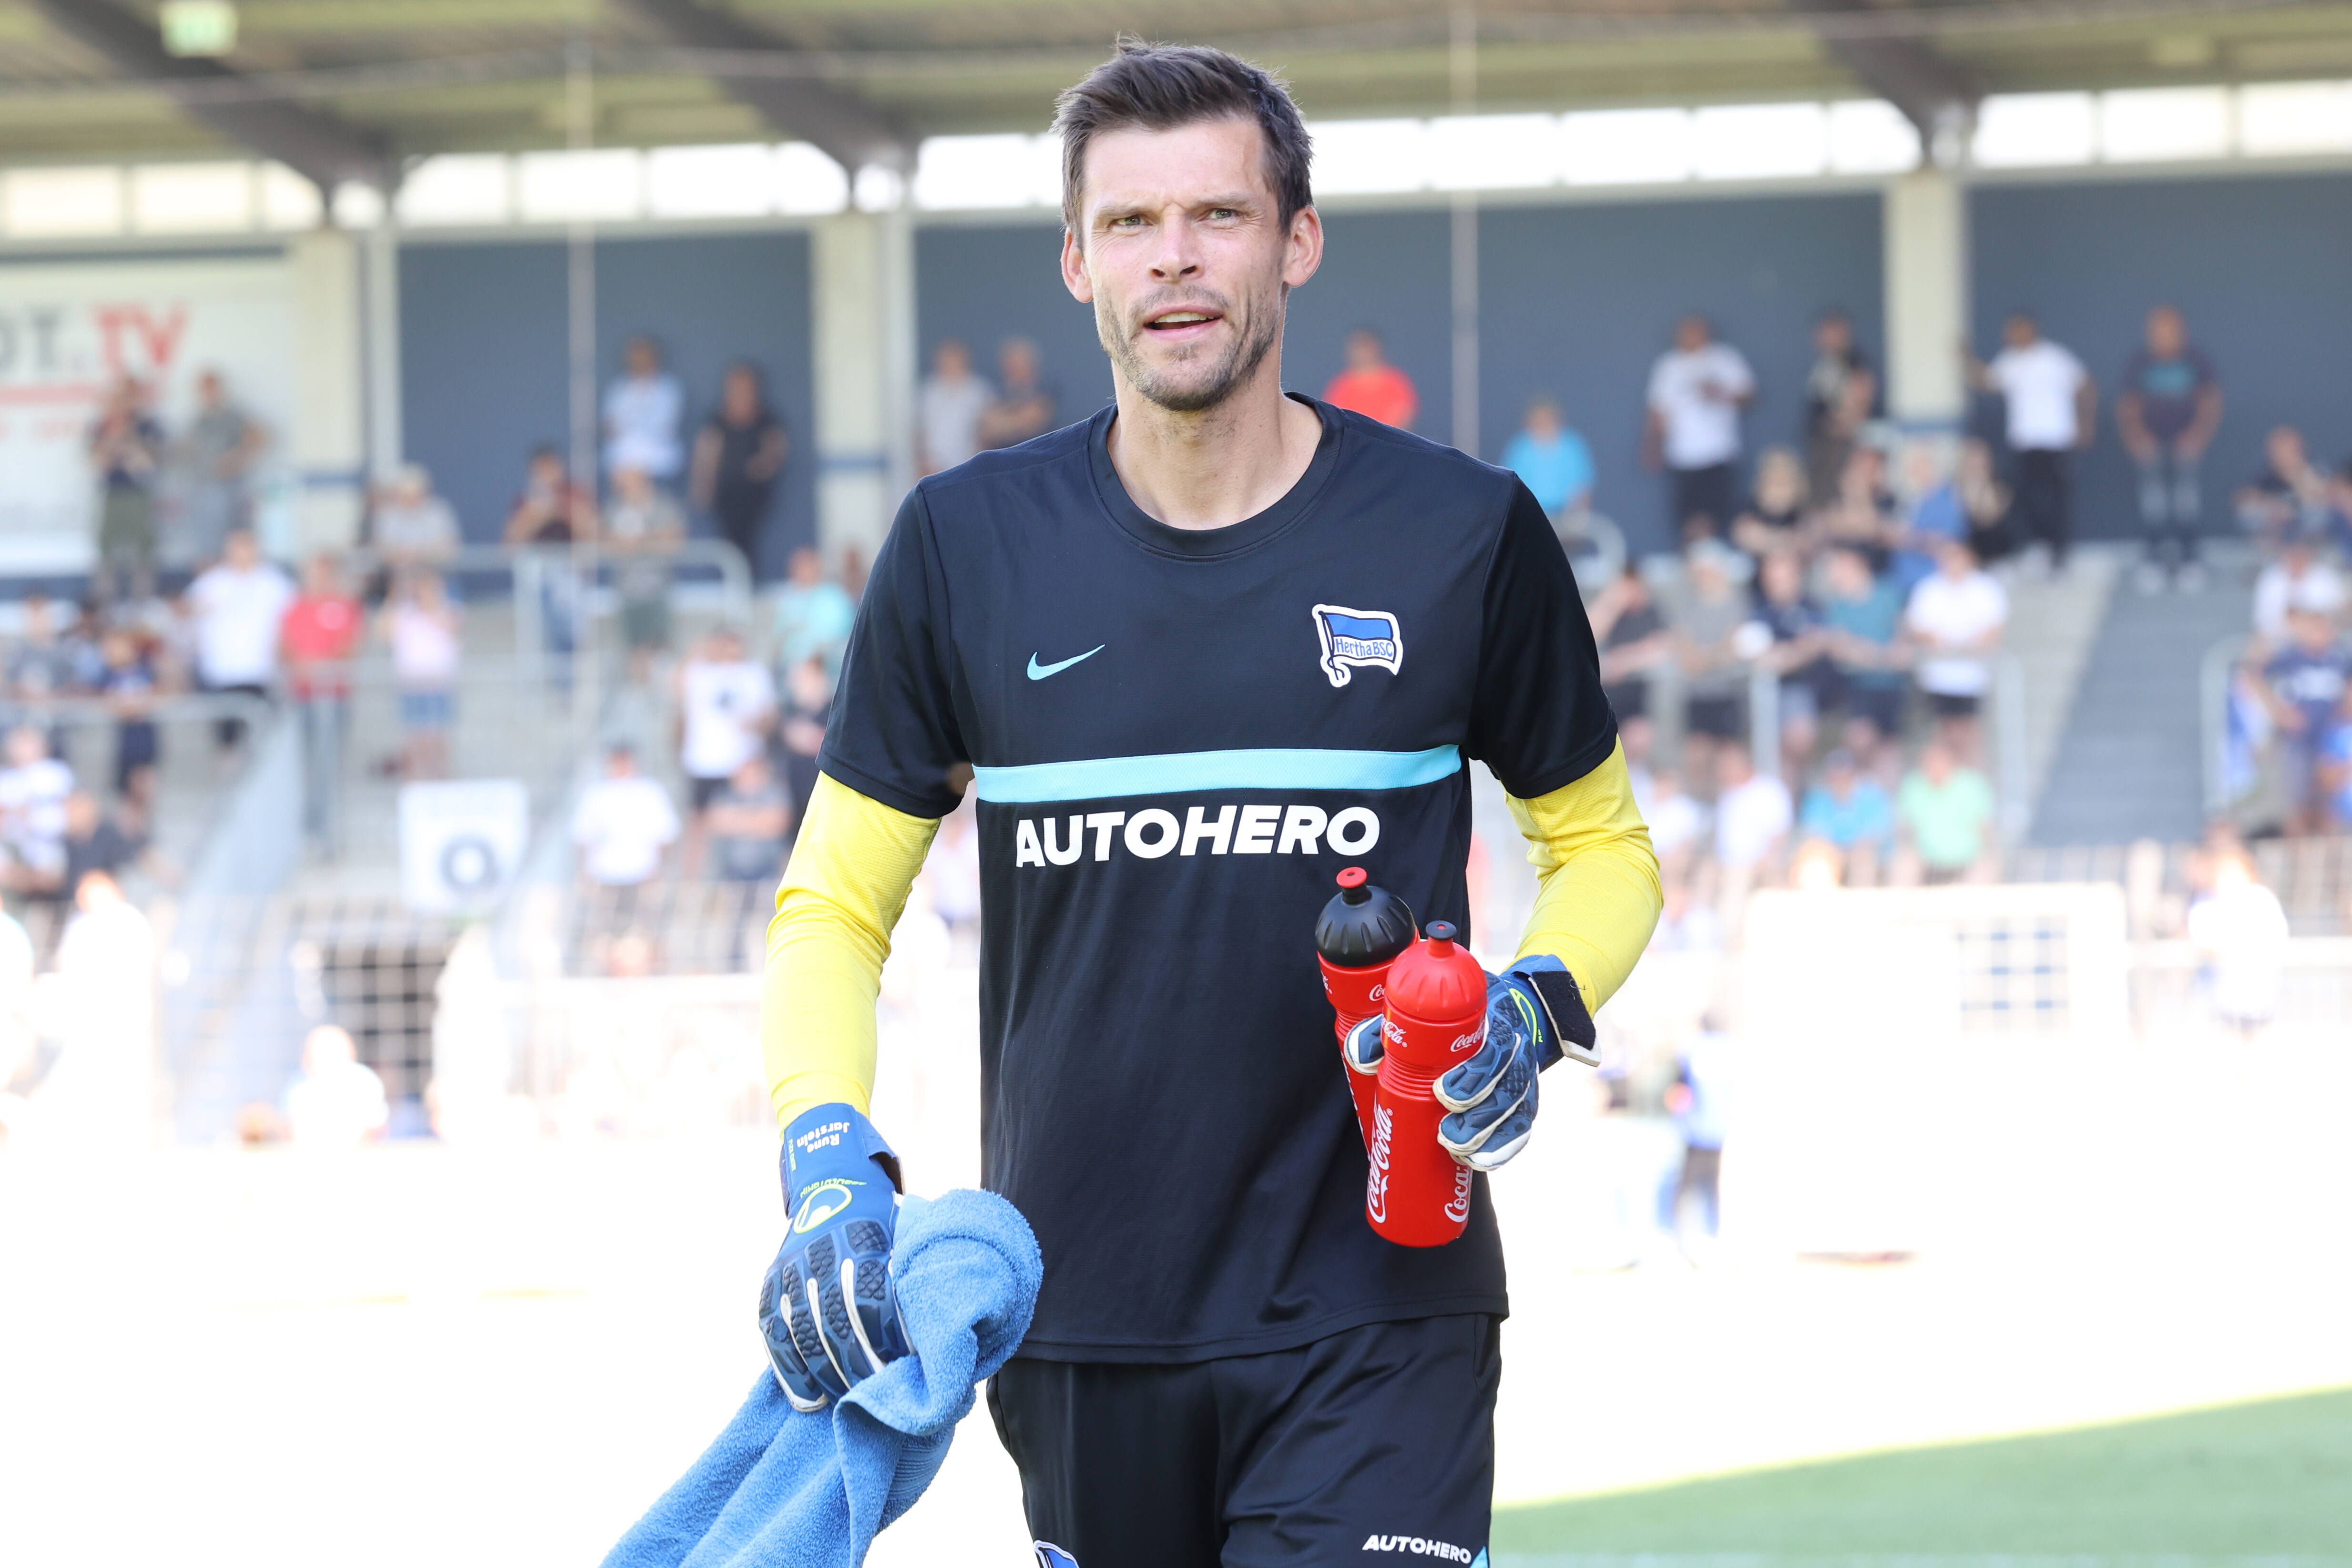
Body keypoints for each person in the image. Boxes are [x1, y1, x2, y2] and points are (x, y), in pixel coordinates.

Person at [751, 41, 1660, 1568]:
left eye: (1218, 216)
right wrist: (825, 1152)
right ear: (1075, 261)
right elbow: (831, 906)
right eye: (1128, 223)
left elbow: (1603, 849)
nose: (1173, 256)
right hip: (1080, 1320)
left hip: (1385, 1306)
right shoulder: (964, 546)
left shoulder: (1464, 532)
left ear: (1295, 242)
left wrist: (1535, 1001)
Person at [1964, 313, 2093, 573]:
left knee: (2058, 500)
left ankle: (2059, 554)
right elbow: (1986, 382)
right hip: (2025, 443)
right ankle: (2038, 546)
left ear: (2031, 330)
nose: (2012, 336)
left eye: (2017, 330)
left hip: (2056, 440)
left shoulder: (2054, 357)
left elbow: (2086, 385)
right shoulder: (2010, 361)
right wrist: (1965, 357)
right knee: (2025, 499)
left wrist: (2085, 423)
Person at [2116, 305, 2222, 592]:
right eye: (2157, 330)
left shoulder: (2195, 359)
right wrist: (2137, 440)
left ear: (2180, 330)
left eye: (2169, 329)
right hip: (2151, 444)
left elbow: (2210, 401)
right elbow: (2128, 405)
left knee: (2186, 502)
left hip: (2185, 444)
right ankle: (2154, 562)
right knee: (2154, 504)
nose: (2163, 336)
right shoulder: (2141, 361)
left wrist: (2197, 437)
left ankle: (2190, 561)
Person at [1644, 314, 1754, 540]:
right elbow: (1657, 411)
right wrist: (1652, 448)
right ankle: (1694, 564)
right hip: (1682, 455)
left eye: (1695, 331)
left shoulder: (1725, 358)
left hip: (1719, 452)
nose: (1690, 337)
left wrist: (1720, 393)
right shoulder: (1668, 365)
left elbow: (1749, 397)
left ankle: (1713, 564)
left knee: (1716, 514)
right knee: (1687, 516)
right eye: (1685, 332)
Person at [280, 554, 364, 854]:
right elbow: (286, 644)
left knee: (327, 763)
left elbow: (350, 644)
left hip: (332, 697)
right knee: (305, 764)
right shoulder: (296, 608)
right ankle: (308, 824)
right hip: (303, 697)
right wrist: (304, 667)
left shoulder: (344, 608)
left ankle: (325, 827)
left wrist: (321, 668)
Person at [2248, 606, 2352, 835]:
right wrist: (2279, 712)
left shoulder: (2339, 658)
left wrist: (2345, 712)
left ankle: (2327, 861)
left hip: (2328, 740)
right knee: (2297, 803)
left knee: (2329, 802)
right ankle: (2298, 861)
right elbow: (2255, 676)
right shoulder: (2292, 658)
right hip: (2298, 739)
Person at [187, 529, 294, 752]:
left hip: (262, 672)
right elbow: (190, 621)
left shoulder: (276, 585)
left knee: (263, 740)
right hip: (221, 673)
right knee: (227, 742)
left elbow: (288, 626)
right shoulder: (211, 584)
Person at [1903, 535, 2007, 760]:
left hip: (1973, 675)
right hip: (1938, 675)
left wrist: (1963, 646)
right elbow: (1917, 627)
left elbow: (1993, 629)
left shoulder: (1985, 588)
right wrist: (1947, 644)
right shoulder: (1928, 589)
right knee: (1944, 729)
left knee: (1970, 730)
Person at [504, 446, 596, 687]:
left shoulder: (574, 494)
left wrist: (561, 507)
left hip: (568, 573)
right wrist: (538, 513)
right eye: (541, 469)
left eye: (551, 467)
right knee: (539, 635)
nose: (547, 474)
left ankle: (569, 686)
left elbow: (590, 531)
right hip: (537, 574)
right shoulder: (526, 499)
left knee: (571, 633)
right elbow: (512, 541)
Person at [688, 362, 788, 579]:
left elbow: (776, 450)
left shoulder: (766, 418)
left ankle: (749, 583)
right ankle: (729, 584)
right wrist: (702, 488)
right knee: (727, 542)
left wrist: (762, 466)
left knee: (749, 541)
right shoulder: (717, 419)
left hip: (754, 494)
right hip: (725, 494)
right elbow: (706, 455)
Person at [1667, 538, 1752, 769]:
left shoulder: (1738, 605)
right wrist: (1715, 657)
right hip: (1698, 694)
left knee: (1730, 757)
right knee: (1697, 756)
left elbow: (1734, 647)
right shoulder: (1687, 608)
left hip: (1728, 692)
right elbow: (1688, 655)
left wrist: (1705, 658)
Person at [1820, 544, 1908, 760]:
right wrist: (1881, 656)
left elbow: (1903, 631)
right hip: (1858, 686)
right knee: (1860, 740)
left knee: (1890, 747)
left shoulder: (1887, 593)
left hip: (1892, 684)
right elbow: (1842, 648)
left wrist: (1897, 648)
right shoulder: (1837, 607)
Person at [675, 626, 775, 815]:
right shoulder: (699, 672)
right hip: (704, 761)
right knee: (702, 820)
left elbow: (769, 717)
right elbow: (674, 686)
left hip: (745, 763)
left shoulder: (754, 673)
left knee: (746, 819)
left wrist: (755, 724)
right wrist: (699, 650)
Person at [176, 368, 269, 566]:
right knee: (206, 548)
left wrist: (236, 458)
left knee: (235, 544)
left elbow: (259, 438)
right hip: (202, 491)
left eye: (211, 388)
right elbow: (185, 452)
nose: (207, 393)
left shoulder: (233, 416)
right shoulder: (197, 421)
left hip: (230, 490)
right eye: (203, 389)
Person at [86, 376, 164, 605]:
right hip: (112, 494)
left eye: (129, 396)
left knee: (143, 554)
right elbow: (96, 461)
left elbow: (148, 463)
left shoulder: (148, 426)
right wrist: (113, 441)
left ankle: (143, 603)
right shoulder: (102, 426)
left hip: (139, 496)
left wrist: (129, 443)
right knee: (107, 554)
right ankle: (104, 605)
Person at [604, 465, 685, 673]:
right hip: (628, 590)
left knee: (658, 646)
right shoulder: (615, 508)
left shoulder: (663, 506)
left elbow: (673, 542)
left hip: (658, 587)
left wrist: (640, 541)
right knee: (633, 649)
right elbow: (608, 544)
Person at [383, 570, 461, 781]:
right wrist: (394, 599)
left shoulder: (447, 609)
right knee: (415, 739)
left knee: (437, 738)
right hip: (412, 684)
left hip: (438, 684)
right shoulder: (405, 613)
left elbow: (453, 626)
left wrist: (431, 603)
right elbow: (384, 632)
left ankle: (441, 780)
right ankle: (416, 782)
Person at [572, 743, 681, 889]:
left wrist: (660, 871)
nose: (621, 766)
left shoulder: (651, 793)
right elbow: (583, 836)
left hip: (643, 873)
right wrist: (585, 874)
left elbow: (666, 836)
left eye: (625, 761)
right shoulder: (596, 794)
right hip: (603, 874)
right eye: (617, 761)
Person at [1589, 566, 1668, 765]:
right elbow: (1587, 636)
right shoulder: (1614, 613)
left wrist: (1623, 662)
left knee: (1638, 742)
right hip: (1606, 699)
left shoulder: (1651, 613)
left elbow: (1660, 649)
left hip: (1637, 699)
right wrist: (1611, 603)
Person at [1895, 740, 1997, 884]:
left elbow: (1985, 827)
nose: (1935, 766)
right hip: (1926, 860)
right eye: (1930, 761)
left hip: (1968, 859)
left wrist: (1991, 852)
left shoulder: (1973, 785)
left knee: (1985, 867)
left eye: (1939, 760)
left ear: (1951, 762)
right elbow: (1906, 829)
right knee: (1904, 863)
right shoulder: (1913, 786)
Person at [1802, 310, 1876, 501]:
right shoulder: (1826, 363)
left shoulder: (1854, 361)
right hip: (1820, 441)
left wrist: (1844, 425)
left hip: (1839, 443)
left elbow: (1862, 394)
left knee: (1836, 491)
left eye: (1833, 333)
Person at [1797, 747, 1893, 886]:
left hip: (1865, 853)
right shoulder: (1818, 797)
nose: (1840, 780)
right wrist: (1834, 852)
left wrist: (1858, 847)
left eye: (1844, 774)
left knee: (1864, 861)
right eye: (1835, 775)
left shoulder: (1871, 795)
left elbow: (1880, 830)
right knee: (1815, 862)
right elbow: (1813, 831)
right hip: (1831, 855)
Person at [284, 1024, 388, 1149]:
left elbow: (377, 1129)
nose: (308, 1057)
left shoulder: (365, 1082)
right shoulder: (298, 1084)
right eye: (309, 1051)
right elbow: (287, 1128)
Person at [366, 463, 460, 599]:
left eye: (415, 495)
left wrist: (416, 555)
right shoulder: (387, 515)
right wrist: (411, 557)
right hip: (397, 582)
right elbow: (383, 549)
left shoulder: (439, 512)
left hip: (436, 580)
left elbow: (448, 548)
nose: (410, 501)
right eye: (405, 496)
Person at [0, 724, 74, 896]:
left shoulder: (56, 774)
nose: (23, 750)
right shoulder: (4, 778)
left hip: (48, 848)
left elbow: (75, 815)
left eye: (28, 744)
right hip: (12, 849)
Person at [2235, 425, 2332, 552]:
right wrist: (2275, 506)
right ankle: (2270, 552)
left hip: (2305, 529)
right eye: (2277, 449)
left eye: (2286, 449)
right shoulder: (2264, 474)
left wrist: (2296, 473)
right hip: (2276, 526)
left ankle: (2307, 552)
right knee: (2250, 513)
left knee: (2317, 513)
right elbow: (2243, 498)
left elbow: (2322, 499)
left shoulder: (2314, 469)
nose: (2281, 454)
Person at [603, 336, 685, 484]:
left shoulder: (669, 389)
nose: (640, 362)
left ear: (655, 358)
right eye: (636, 357)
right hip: (623, 466)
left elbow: (665, 430)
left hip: (660, 465)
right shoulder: (618, 389)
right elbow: (610, 429)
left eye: (644, 357)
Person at [702, 751, 792, 884]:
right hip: (729, 873)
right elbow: (715, 822)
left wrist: (735, 821)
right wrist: (759, 822)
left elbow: (778, 823)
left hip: (769, 871)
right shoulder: (724, 794)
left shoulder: (775, 793)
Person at [1499, 394, 1594, 521]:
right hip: (1530, 517)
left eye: (1547, 419)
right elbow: (1511, 488)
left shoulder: (1572, 446)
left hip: (1566, 517)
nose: (1543, 424)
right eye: (1538, 420)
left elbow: (1582, 488)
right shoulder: (1520, 449)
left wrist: (1575, 518)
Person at [2251, 528, 2347, 652]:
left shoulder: (2326, 577)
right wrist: (2294, 627)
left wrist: (2309, 625)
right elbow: (2263, 619)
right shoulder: (2270, 579)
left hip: (2322, 639)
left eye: (2300, 552)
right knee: (2256, 650)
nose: (2296, 558)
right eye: (2292, 552)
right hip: (2280, 639)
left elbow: (2336, 613)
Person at [770, 545, 856, 683]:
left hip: (827, 666)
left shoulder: (834, 597)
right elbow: (780, 639)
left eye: (806, 565)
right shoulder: (788, 600)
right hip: (792, 668)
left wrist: (813, 661)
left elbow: (837, 637)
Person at [96, 629, 161, 805]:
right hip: (122, 741)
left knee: (144, 788)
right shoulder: (107, 675)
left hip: (144, 739)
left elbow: (155, 698)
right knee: (125, 794)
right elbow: (105, 703)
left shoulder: (146, 671)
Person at [917, 338, 995, 476]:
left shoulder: (979, 390)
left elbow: (987, 431)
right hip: (933, 466)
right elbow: (919, 431)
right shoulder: (928, 391)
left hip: (968, 464)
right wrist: (922, 463)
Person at [1320, 326, 1418, 430]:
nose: (1362, 353)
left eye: (1366, 346)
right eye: (1357, 347)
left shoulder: (1396, 382)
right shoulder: (1340, 385)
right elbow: (1333, 420)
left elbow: (1403, 415)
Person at [774, 652, 830, 823]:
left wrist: (812, 739)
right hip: (794, 794)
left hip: (823, 796)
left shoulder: (835, 711)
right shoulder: (790, 711)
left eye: (805, 677)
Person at [1730, 446, 1808, 561]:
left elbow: (1804, 543)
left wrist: (1769, 540)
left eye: (1784, 482)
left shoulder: (1803, 517)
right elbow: (1743, 536)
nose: (1779, 490)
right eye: (1774, 481)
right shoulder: (1749, 512)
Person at [979, 336, 1057, 448]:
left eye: (1020, 364)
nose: (1016, 369)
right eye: (1012, 364)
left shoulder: (1045, 391)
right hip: (1005, 459)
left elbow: (1033, 421)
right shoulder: (996, 394)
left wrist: (1004, 423)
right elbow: (988, 429)